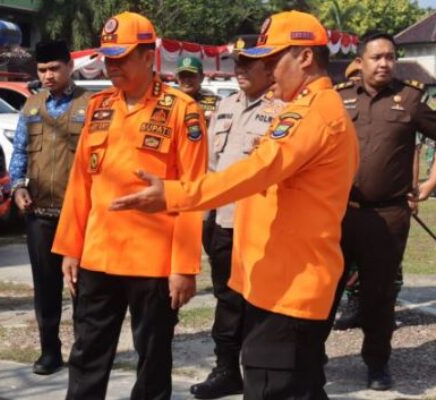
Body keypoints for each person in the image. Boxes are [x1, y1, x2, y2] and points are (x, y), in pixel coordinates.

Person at [110, 11, 359, 398]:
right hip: (276, 282)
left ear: (305, 57)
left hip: (289, 289)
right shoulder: (302, 108)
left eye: (275, 61)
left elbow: (258, 171)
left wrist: (175, 195)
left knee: (272, 385)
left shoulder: (315, 113)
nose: (270, 71)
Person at [51, 11, 208, 399]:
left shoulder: (181, 111)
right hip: (98, 258)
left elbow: (193, 192)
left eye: (121, 57)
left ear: (147, 55)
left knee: (153, 360)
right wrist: (71, 248)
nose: (112, 65)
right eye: (108, 57)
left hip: (153, 264)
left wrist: (184, 267)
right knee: (87, 354)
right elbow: (80, 183)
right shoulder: (99, 107)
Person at [334, 31, 436, 390]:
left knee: (379, 296)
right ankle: (312, 357)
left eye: (390, 57)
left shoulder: (410, 99)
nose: (384, 63)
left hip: (388, 217)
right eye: (376, 57)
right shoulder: (338, 99)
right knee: (326, 288)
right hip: (338, 214)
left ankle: (377, 364)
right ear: (359, 62)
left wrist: (427, 185)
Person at [189, 39, 283, 400]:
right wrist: (206, 216)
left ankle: (262, 373)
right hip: (223, 223)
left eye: (247, 64)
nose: (238, 70)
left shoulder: (282, 111)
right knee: (227, 301)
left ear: (269, 68)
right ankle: (227, 370)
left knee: (259, 302)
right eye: (236, 63)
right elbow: (211, 168)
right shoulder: (225, 106)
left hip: (261, 226)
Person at [8, 40, 92, 375]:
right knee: (45, 288)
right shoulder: (30, 107)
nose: (48, 75)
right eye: (42, 70)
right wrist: (16, 187)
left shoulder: (91, 105)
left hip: (81, 216)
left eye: (54, 68)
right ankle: (49, 352)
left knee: (83, 290)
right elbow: (18, 152)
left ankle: (85, 352)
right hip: (40, 216)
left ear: (70, 66)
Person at [175, 55, 218, 123]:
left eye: (191, 75)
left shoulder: (209, 98)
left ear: (202, 77)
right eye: (182, 76)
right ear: (177, 78)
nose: (187, 80)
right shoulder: (171, 98)